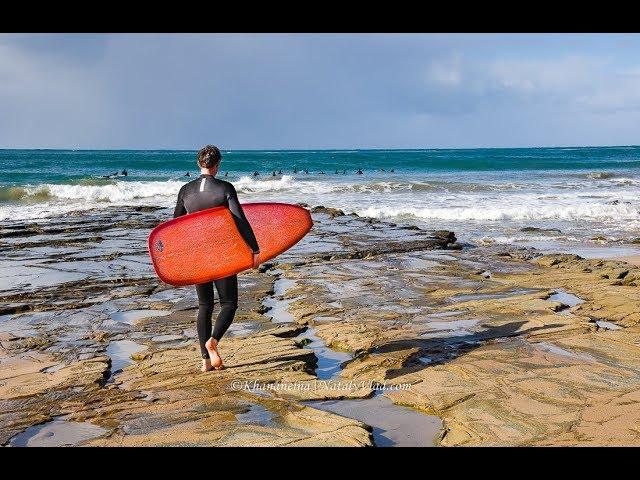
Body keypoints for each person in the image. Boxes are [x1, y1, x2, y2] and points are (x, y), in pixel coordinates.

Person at [173, 145, 261, 373]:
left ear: (198, 163)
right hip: (222, 254)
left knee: (204, 305)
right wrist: (254, 250)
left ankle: (204, 362)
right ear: (218, 164)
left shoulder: (185, 190)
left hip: (196, 255)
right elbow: (240, 221)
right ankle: (213, 341)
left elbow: (176, 226)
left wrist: (179, 256)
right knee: (229, 304)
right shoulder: (225, 188)